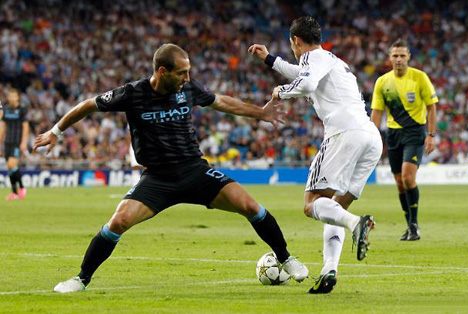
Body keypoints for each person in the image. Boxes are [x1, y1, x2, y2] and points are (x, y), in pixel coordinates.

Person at [33, 43, 308, 293]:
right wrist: (56, 131)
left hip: (195, 171)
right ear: (162, 71)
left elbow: (220, 101)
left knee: (250, 206)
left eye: (188, 73)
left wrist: (260, 113)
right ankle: (80, 280)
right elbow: (88, 105)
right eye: (182, 73)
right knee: (118, 222)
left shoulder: (188, 89)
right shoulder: (132, 94)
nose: (187, 78)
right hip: (158, 178)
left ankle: (286, 258)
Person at [249, 16, 382, 294]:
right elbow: (300, 72)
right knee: (335, 208)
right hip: (370, 136)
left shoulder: (313, 59)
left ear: (296, 42)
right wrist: (269, 59)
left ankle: (358, 224)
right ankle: (329, 270)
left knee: (312, 204)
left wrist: (279, 92)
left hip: (343, 133)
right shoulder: (330, 59)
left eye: (291, 45)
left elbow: (305, 84)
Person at [370, 39, 438, 241]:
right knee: (400, 183)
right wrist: (372, 138)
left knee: (409, 178)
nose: (399, 59)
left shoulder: (419, 77)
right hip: (393, 134)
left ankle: (414, 225)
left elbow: (431, 106)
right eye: (395, 55)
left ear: (408, 57)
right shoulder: (382, 82)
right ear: (390, 58)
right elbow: (377, 112)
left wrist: (431, 134)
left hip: (415, 132)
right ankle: (410, 226)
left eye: (402, 55)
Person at [0, 88, 29, 200]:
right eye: (10, 96)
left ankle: (21, 187)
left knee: (12, 164)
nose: (11, 98)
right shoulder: (6, 110)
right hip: (7, 141)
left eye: (14, 96)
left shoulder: (22, 110)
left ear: (17, 97)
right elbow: (3, 126)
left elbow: (25, 127)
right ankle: (14, 193)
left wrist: (24, 142)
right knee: (9, 167)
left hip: (17, 141)